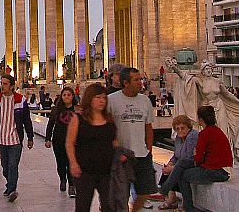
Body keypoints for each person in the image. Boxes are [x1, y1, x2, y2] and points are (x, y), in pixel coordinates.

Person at [159, 106, 231, 212]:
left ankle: (172, 194)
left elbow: (198, 159)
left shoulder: (203, 134)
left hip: (215, 171)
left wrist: (174, 167)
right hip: (216, 169)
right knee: (181, 167)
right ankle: (179, 201)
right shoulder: (215, 131)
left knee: (181, 172)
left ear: (201, 120)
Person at [108, 67, 156, 212]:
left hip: (142, 154)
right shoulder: (112, 100)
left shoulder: (145, 100)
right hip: (122, 155)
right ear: (125, 82)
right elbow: (109, 128)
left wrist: (149, 149)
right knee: (121, 194)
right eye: (136, 80)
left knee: (145, 192)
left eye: (140, 79)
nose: (140, 82)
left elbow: (148, 127)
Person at [66, 82, 116, 212]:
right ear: (90, 98)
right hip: (85, 171)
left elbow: (114, 141)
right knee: (83, 205)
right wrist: (73, 163)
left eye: (104, 98)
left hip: (107, 170)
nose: (102, 101)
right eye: (98, 97)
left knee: (109, 205)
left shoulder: (109, 119)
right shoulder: (78, 119)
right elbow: (69, 142)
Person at [0, 74, 35, 202]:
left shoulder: (20, 100)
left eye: (5, 84)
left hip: (15, 139)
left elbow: (26, 119)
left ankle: (12, 189)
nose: (2, 86)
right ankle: (9, 184)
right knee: (5, 167)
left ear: (12, 86)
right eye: (2, 83)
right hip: (1, 139)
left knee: (13, 165)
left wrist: (30, 137)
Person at [156, 115, 198, 210]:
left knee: (177, 170)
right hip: (181, 163)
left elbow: (189, 157)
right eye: (177, 129)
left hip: (192, 163)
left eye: (182, 128)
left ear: (188, 127)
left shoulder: (192, 136)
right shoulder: (179, 138)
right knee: (168, 168)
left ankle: (167, 194)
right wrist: (171, 163)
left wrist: (173, 167)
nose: (180, 131)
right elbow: (176, 155)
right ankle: (171, 197)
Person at [45, 86, 78, 197]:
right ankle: (63, 179)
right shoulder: (56, 109)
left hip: (74, 141)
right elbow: (50, 125)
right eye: (64, 95)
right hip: (59, 140)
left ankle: (72, 185)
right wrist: (47, 139)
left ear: (73, 96)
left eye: (69, 95)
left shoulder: (77, 110)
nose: (67, 97)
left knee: (71, 163)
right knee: (61, 163)